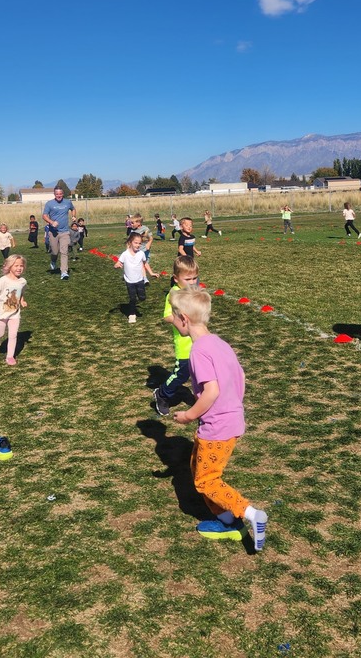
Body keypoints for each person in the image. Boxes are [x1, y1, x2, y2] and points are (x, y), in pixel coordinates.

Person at [168, 287, 268, 550]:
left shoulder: (198, 351)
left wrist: (189, 415)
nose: (172, 320)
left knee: (206, 480)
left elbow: (211, 390)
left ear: (184, 320)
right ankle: (227, 521)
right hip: (231, 420)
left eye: (174, 316)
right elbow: (241, 376)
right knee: (197, 468)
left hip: (218, 426)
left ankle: (251, 515)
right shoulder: (219, 343)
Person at [152, 255, 199, 416]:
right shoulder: (174, 295)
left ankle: (201, 400)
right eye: (188, 279)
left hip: (199, 341)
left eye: (195, 278)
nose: (192, 282)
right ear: (176, 278)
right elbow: (167, 316)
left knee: (201, 373)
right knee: (182, 374)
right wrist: (181, 324)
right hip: (185, 345)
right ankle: (162, 394)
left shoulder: (193, 292)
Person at [0, 254, 28, 366]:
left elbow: (21, 292)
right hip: (2, 312)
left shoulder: (22, 281)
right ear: (10, 266)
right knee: (1, 333)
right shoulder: (3, 280)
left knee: (13, 335)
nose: (19, 268)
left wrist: (22, 301)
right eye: (16, 265)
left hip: (15, 313)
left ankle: (10, 356)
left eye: (21, 266)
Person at [114, 232, 156, 324]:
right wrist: (117, 265)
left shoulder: (141, 254)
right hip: (129, 281)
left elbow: (145, 264)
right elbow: (118, 263)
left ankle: (139, 295)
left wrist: (151, 273)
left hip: (140, 280)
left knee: (142, 298)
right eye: (135, 243)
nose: (138, 245)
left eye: (139, 243)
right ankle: (132, 314)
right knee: (132, 298)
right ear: (130, 242)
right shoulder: (125, 254)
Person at [43, 187, 76, 280]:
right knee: (55, 251)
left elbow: (73, 209)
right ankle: (53, 261)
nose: (59, 196)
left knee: (64, 252)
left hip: (65, 232)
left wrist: (73, 216)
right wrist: (51, 222)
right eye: (57, 194)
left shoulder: (67, 202)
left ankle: (64, 272)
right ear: (54, 194)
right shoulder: (49, 204)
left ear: (63, 194)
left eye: (60, 194)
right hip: (53, 232)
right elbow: (44, 215)